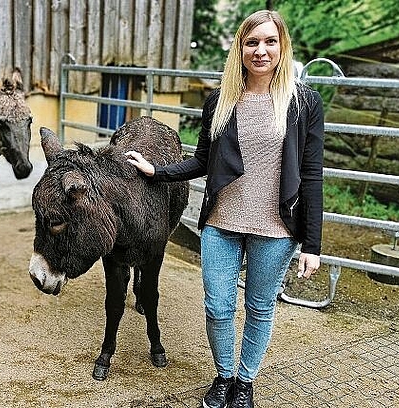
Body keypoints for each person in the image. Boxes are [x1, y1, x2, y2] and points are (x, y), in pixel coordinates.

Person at [125, 10, 324, 408]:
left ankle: (245, 383)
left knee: (260, 307)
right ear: (240, 48)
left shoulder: (303, 102)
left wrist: (312, 245)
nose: (261, 50)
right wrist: (157, 171)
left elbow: (312, 174)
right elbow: (202, 159)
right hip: (221, 223)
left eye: (270, 41)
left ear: (282, 46)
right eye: (252, 42)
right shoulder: (220, 99)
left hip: (276, 228)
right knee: (218, 305)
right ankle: (224, 376)